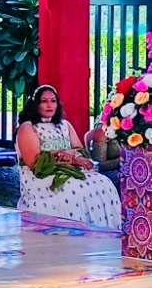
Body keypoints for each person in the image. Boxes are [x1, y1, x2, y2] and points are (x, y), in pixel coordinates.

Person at [15, 85, 121, 229]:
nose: (49, 105)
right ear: (35, 104)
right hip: (42, 177)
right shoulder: (28, 127)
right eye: (44, 101)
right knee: (74, 190)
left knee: (103, 182)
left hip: (69, 170)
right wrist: (64, 154)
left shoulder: (65, 125)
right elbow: (35, 163)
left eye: (53, 101)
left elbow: (80, 151)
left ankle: (104, 231)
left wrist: (74, 155)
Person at [84, 123, 121, 190]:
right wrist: (123, 161)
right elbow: (99, 166)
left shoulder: (137, 129)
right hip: (106, 173)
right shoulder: (104, 130)